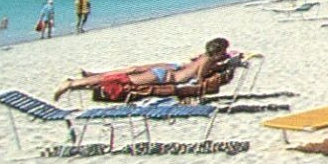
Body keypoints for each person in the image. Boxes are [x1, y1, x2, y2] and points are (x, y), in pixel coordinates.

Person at [54, 37, 232, 101]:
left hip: (169, 68)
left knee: (129, 71)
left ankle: (90, 77)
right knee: (124, 80)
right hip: (164, 77)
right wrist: (202, 81)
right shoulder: (208, 60)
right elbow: (200, 76)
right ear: (220, 52)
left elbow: (197, 66)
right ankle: (71, 83)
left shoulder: (203, 55)